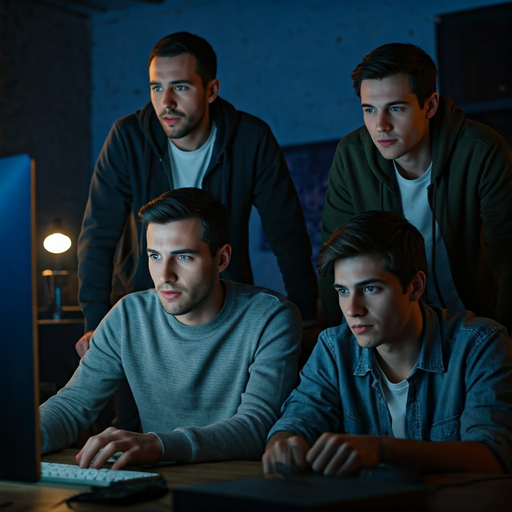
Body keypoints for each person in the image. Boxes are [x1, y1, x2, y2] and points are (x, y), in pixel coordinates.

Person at [77, 31, 319, 357]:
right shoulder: (127, 138)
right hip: (145, 308)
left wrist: (305, 315)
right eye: (156, 88)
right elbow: (99, 233)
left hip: (225, 310)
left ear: (211, 90)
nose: (166, 103)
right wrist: (95, 319)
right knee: (135, 409)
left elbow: (286, 232)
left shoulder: (251, 139)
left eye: (180, 87)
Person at [41, 188, 302, 470]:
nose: (164, 276)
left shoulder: (271, 316)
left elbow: (257, 427)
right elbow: (72, 406)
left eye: (183, 257)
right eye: (155, 256)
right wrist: (18, 437)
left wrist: (157, 445)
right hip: (159, 480)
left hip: (240, 484)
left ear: (222, 259)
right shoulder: (129, 315)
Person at [263, 211, 512, 476]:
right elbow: (295, 422)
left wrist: (382, 449)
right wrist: (283, 445)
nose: (352, 309)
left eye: (370, 288)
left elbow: (493, 457)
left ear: (415, 286)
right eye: (343, 291)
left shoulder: (481, 346)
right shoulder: (334, 348)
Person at [320, 42, 512, 331]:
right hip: (398, 332)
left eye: (395, 108)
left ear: (430, 105)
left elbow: (508, 255)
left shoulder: (481, 150)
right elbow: (338, 257)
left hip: (479, 325)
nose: (380, 125)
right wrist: (339, 344)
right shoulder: (351, 156)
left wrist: (506, 337)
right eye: (369, 109)